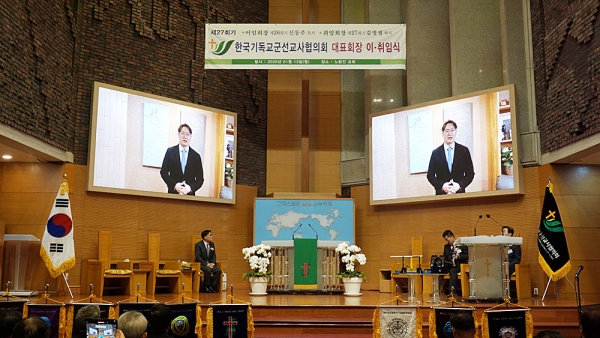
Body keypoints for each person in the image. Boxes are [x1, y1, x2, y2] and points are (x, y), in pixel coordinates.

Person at [427, 120, 475, 195]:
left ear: (456, 132)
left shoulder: (464, 151)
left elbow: (470, 174)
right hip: (441, 195)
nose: (450, 133)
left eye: (452, 130)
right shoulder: (436, 153)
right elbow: (430, 175)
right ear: (443, 133)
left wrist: (459, 186)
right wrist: (442, 186)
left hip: (459, 194)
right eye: (447, 131)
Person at [160, 123, 204, 195]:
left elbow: (200, 179)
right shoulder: (170, 152)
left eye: (187, 134)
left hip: (189, 196)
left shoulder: (196, 156)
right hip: (173, 194)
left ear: (190, 136)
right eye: (182, 133)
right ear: (178, 135)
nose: (185, 137)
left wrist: (190, 188)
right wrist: (175, 185)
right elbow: (163, 172)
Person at [443, 230, 468, 296]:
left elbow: (467, 255)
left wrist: (459, 256)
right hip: (449, 265)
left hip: (459, 265)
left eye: (447, 239)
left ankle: (452, 290)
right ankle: (438, 290)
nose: (447, 241)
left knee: (452, 271)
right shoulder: (446, 247)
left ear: (452, 237)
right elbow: (445, 257)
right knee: (438, 270)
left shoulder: (462, 245)